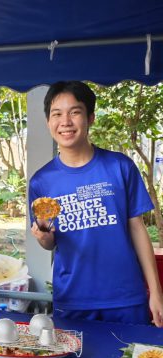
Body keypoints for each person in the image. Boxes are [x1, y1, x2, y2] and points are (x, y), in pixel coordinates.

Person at [29, 81, 163, 327]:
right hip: (73, 299)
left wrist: (156, 292)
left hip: (125, 297)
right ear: (48, 122)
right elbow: (49, 242)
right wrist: (43, 236)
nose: (65, 122)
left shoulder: (120, 167)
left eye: (75, 112)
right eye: (57, 114)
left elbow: (138, 229)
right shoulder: (41, 181)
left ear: (90, 117)